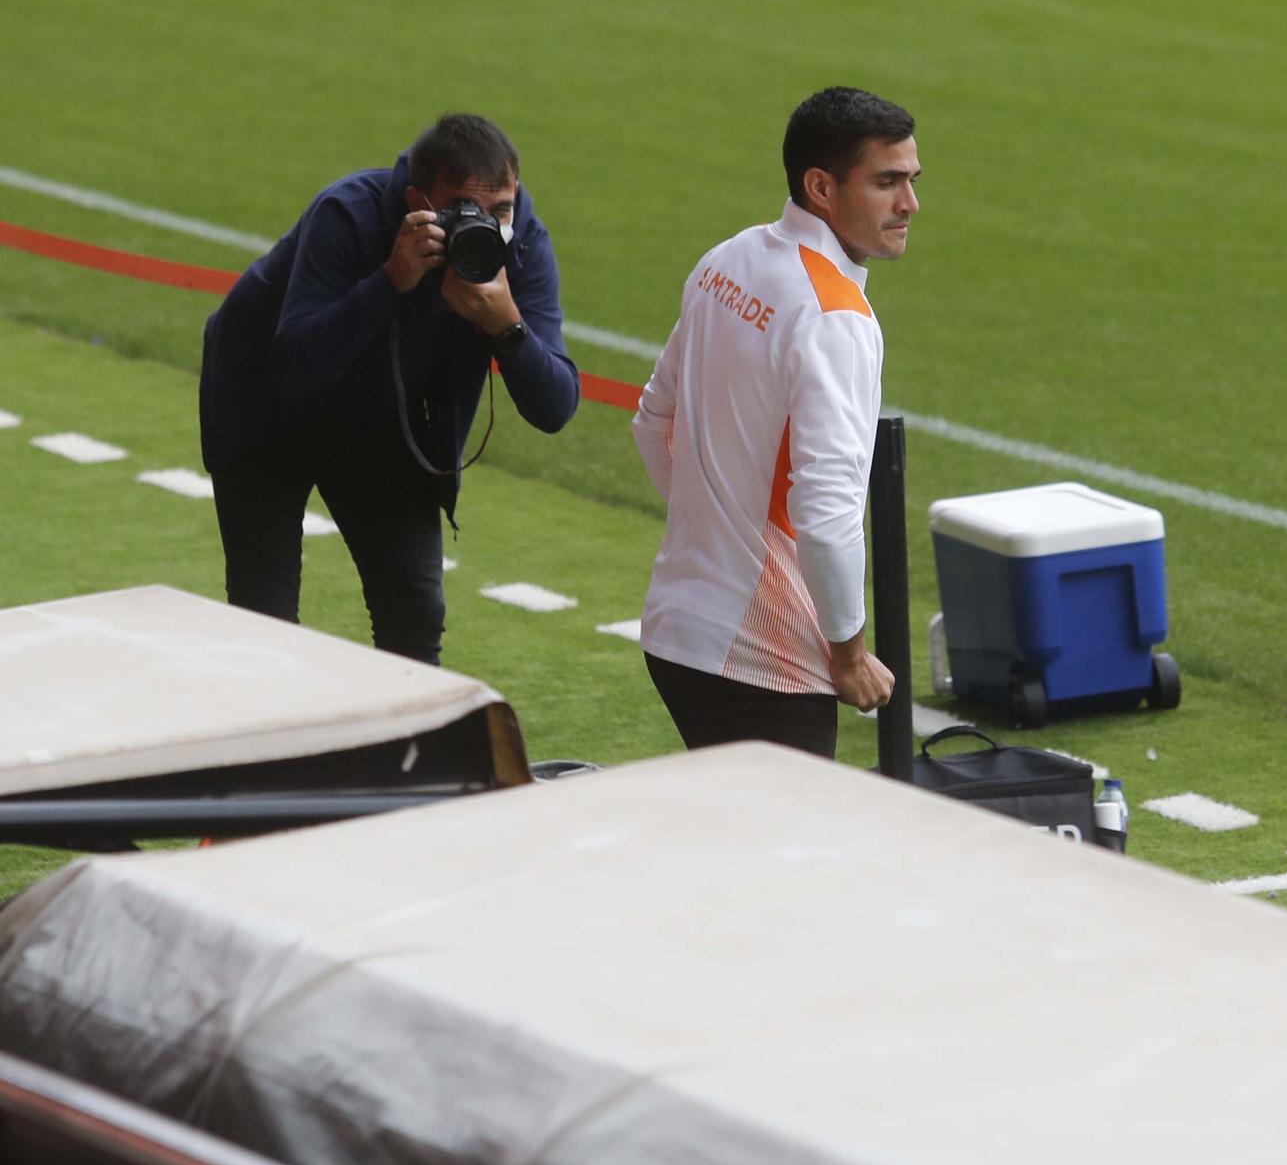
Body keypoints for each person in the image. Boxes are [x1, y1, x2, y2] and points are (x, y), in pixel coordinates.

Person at [199, 113, 579, 665]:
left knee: (416, 610)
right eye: (462, 211)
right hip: (264, 403)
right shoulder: (348, 214)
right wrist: (389, 284)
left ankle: (408, 752)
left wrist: (507, 327)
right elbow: (293, 368)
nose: (486, 227)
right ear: (415, 201)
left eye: (501, 210)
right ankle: (273, 749)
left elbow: (556, 406)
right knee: (265, 615)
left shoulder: (520, 247)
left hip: (382, 419)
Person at [632, 87, 920, 755]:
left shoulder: (727, 259)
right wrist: (848, 652)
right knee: (783, 857)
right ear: (822, 186)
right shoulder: (836, 317)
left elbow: (652, 422)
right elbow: (827, 511)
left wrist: (712, 533)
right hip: (766, 660)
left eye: (911, 180)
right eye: (887, 182)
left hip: (676, 629)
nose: (910, 204)